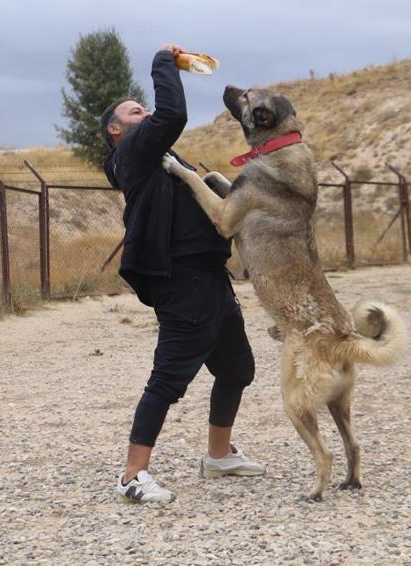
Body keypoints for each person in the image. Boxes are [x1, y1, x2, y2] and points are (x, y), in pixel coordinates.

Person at [101, 44, 264, 503]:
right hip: (182, 280)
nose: (145, 111)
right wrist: (162, 62)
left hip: (212, 278)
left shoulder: (155, 156)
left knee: (237, 369)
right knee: (168, 379)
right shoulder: (132, 153)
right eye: (135, 110)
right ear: (117, 130)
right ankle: (133, 474)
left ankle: (218, 456)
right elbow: (171, 113)